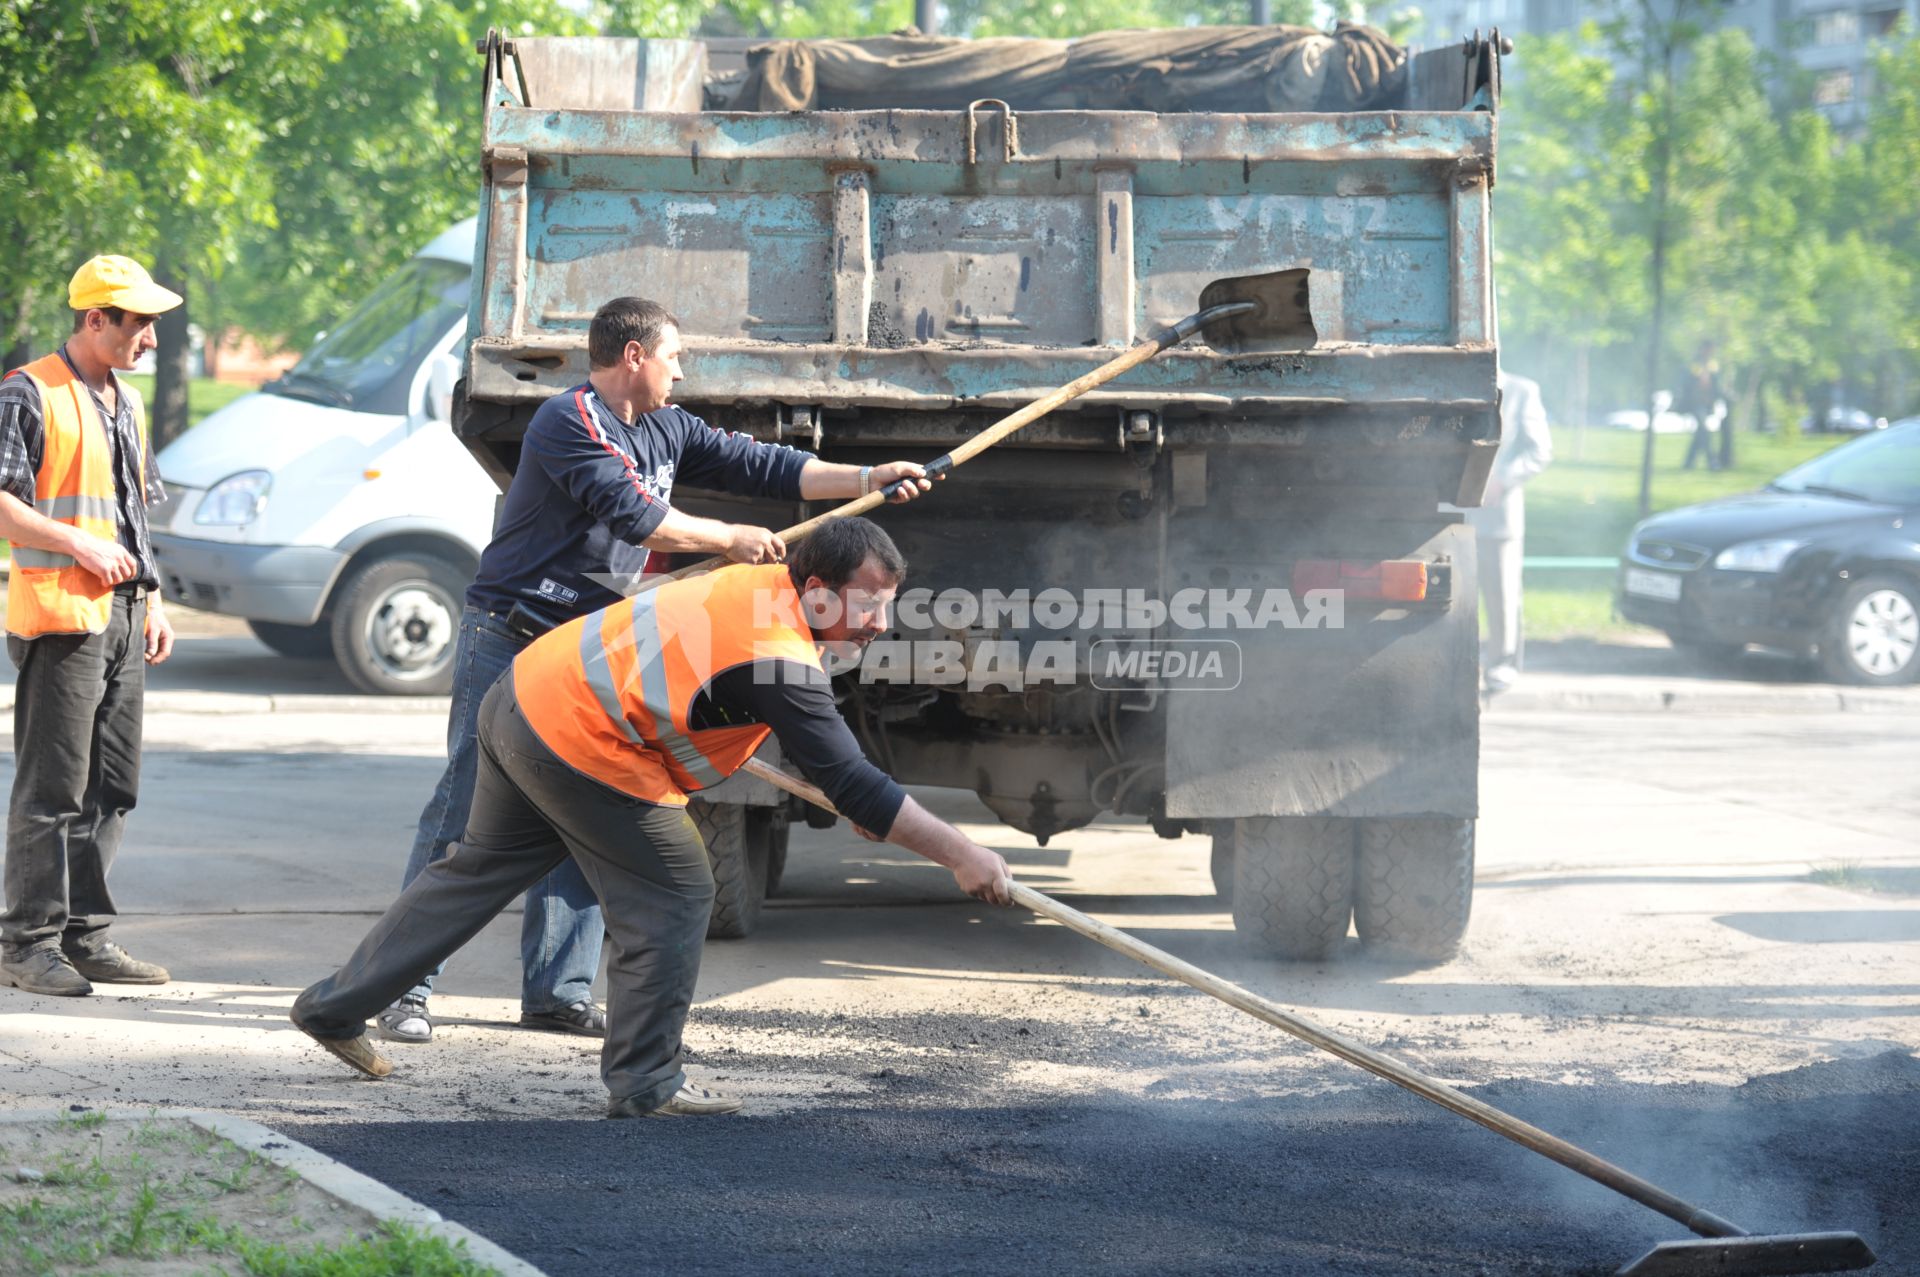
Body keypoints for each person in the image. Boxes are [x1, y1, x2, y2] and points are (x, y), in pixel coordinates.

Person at [293, 518, 1012, 1116]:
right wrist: (960, 853)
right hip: (576, 738)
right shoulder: (780, 656)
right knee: (676, 890)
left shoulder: (766, 586)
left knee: (475, 872)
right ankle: (646, 1082)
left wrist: (867, 803)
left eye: (890, 602)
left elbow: (787, 733)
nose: (882, 622)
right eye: (869, 602)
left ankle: (331, 1008)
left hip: (524, 696)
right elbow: (851, 777)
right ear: (819, 591)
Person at [383, 296, 936, 1046]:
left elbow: (762, 465)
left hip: (582, 644)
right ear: (635, 356)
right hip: (511, 634)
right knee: (461, 813)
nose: (683, 369)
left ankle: (557, 992)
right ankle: (402, 990)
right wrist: (730, 537)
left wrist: (869, 475)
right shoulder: (568, 420)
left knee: (581, 804)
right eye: (674, 355)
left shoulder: (668, 426)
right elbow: (637, 515)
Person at [0, 256, 180, 997]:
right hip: (63, 617)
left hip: (124, 613)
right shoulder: (28, 393)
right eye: (139, 323)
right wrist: (78, 544)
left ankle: (85, 934)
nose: (151, 339)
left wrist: (156, 597)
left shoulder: (126, 404)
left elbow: (134, 517)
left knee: (112, 785)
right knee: (53, 786)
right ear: (94, 319)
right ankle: (26, 941)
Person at [1469, 369, 1552, 695]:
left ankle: (1501, 664)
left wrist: (1503, 479)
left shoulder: (1522, 390)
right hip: (1454, 512)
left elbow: (1539, 450)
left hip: (1498, 513)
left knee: (1501, 591)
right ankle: (1461, 662)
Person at [1678, 340, 1725, 472]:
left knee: (1700, 433)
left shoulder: (1712, 365)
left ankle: (1688, 463)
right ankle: (1713, 462)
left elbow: (1716, 383)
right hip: (1695, 403)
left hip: (1707, 403)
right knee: (1704, 431)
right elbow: (1689, 382)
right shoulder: (1695, 363)